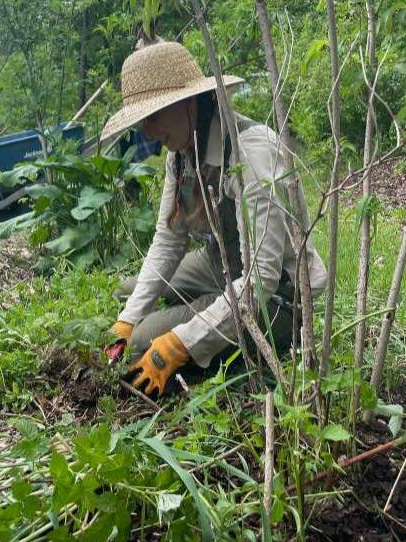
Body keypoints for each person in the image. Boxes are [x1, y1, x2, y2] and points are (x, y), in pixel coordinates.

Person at [101, 41, 327, 398]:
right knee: (129, 296)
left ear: (188, 102)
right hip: (221, 265)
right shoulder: (181, 151)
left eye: (154, 116)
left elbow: (262, 279)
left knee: (145, 341)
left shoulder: (250, 152)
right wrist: (127, 319)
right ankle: (203, 306)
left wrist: (178, 344)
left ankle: (232, 326)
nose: (147, 131)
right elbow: (168, 239)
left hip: (279, 296)